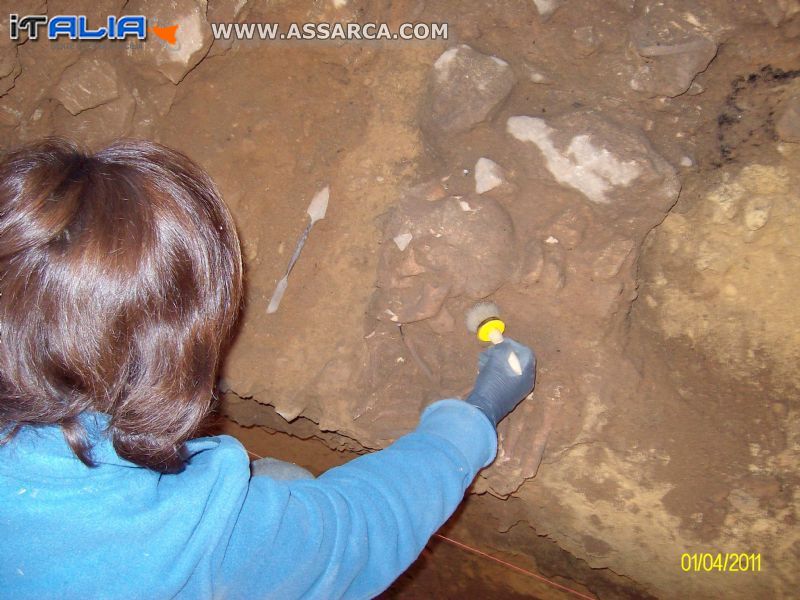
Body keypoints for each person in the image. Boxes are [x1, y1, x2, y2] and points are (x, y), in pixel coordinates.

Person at [0, 138, 536, 599]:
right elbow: (355, 532)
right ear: (162, 357)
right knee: (291, 489)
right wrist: (477, 415)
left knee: (278, 482)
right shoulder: (164, 546)